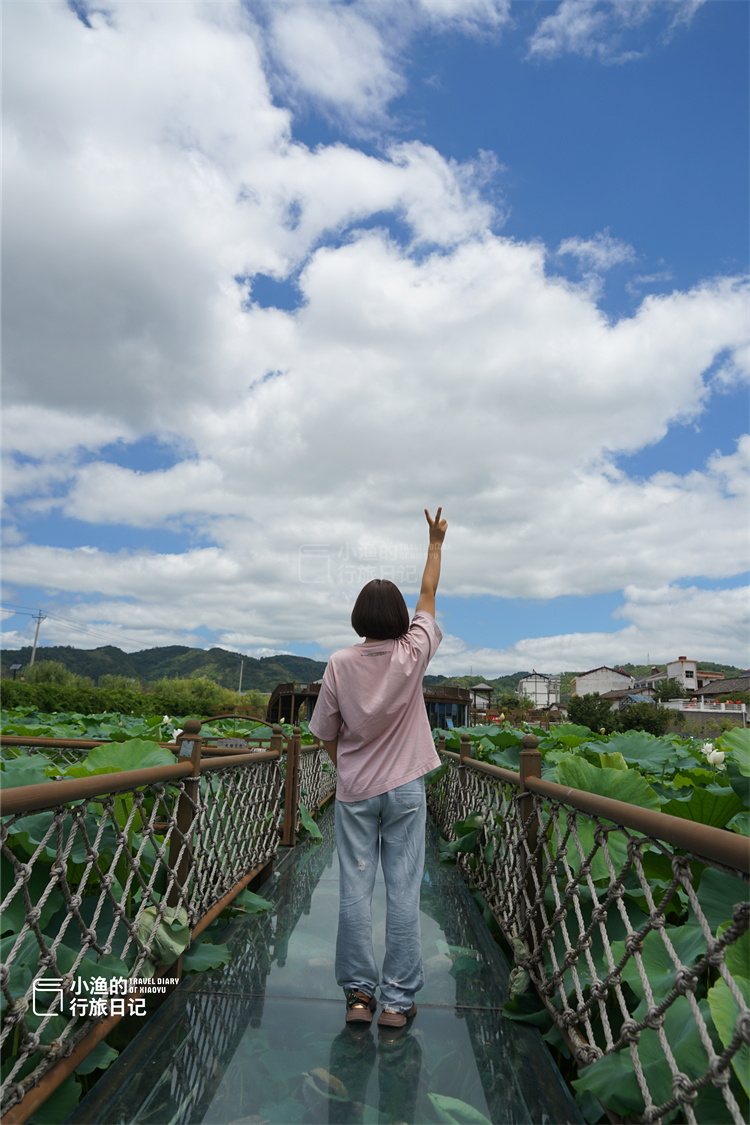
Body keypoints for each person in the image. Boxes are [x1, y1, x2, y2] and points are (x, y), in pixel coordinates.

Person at [309, 507, 448, 1030]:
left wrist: (346, 769)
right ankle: (396, 1002)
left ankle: (360, 1000)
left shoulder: (340, 663)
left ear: (358, 618)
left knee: (354, 890)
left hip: (357, 792)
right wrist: (434, 543)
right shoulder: (413, 652)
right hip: (407, 788)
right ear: (399, 620)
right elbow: (429, 597)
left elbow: (324, 732)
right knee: (404, 889)